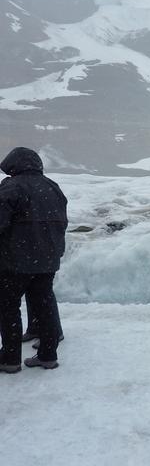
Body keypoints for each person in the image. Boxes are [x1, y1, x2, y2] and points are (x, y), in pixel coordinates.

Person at [0, 147, 68, 373]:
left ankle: (9, 359)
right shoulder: (52, 187)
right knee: (44, 304)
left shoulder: (12, 187)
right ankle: (48, 355)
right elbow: (62, 223)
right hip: (47, 260)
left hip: (15, 260)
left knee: (8, 306)